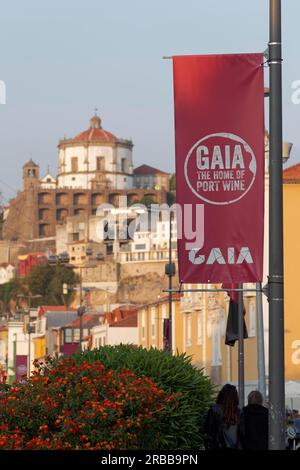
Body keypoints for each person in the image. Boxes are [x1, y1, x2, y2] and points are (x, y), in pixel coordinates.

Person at [204, 384, 241, 450]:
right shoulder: (239, 413)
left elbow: (208, 432)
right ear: (235, 397)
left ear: (221, 395)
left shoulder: (214, 410)